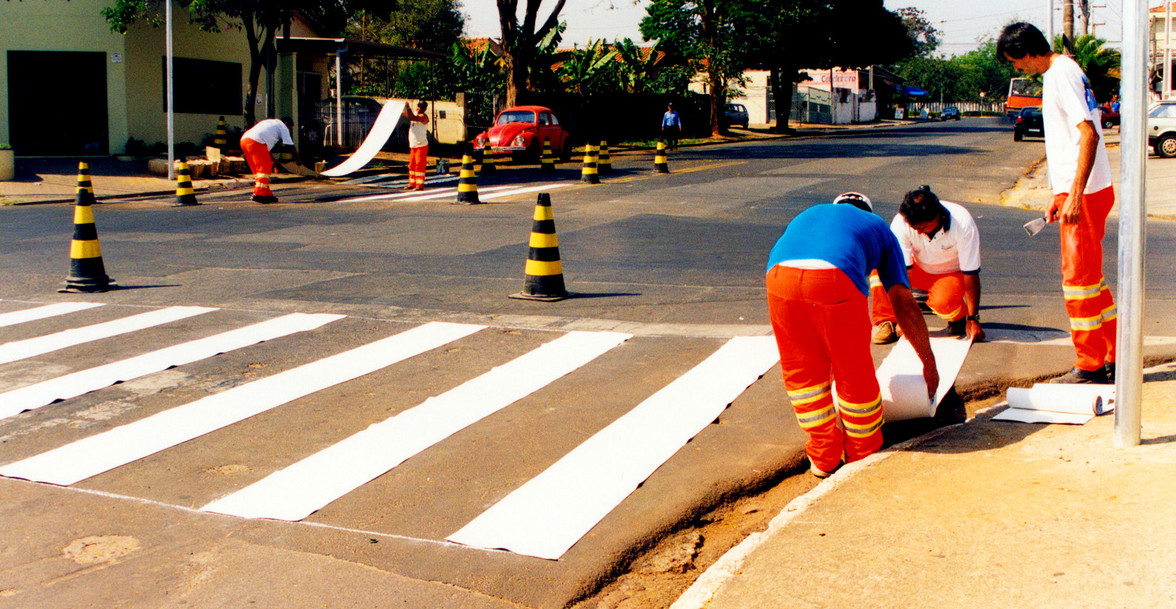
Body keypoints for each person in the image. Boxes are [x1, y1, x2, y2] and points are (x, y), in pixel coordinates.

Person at [766, 192, 939, 478]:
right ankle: (862, 454)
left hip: (779, 278)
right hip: (834, 278)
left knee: (802, 370)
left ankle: (823, 458)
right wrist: (928, 363)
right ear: (867, 210)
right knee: (852, 369)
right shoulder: (878, 227)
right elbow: (904, 305)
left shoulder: (810, 213)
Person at [998, 22, 1116, 384]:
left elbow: (1089, 134)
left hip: (1085, 192)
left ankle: (1090, 364)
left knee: (1078, 282)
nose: (1017, 70)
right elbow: (1069, 143)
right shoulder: (1060, 72)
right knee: (1092, 281)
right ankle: (1113, 353)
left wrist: (1075, 195)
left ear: (1029, 52)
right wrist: (1059, 193)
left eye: (1016, 62)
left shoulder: (1061, 74)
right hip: (1085, 188)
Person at [870, 186, 985, 344]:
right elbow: (903, 273)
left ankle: (958, 318)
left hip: (949, 274)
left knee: (944, 302)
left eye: (922, 227)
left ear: (937, 216)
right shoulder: (901, 222)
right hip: (916, 270)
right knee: (881, 265)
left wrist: (974, 319)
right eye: (914, 227)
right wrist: (905, 319)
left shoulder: (963, 223)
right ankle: (887, 321)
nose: (917, 232)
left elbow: (970, 274)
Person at [240, 117, 301, 204]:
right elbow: (290, 145)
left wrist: (272, 159)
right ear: (286, 123)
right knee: (265, 168)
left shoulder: (271, 123)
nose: (289, 130)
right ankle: (259, 193)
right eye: (290, 128)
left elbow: (265, 149)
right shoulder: (282, 126)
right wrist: (297, 160)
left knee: (259, 171)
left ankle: (266, 193)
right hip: (256, 141)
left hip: (245, 140)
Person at [403, 101, 430, 191]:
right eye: (418, 107)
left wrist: (408, 107)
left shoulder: (424, 117)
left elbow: (412, 118)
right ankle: (412, 183)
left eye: (420, 108)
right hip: (413, 145)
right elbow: (407, 115)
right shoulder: (414, 114)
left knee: (419, 164)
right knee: (412, 165)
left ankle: (419, 185)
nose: (418, 109)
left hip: (421, 145)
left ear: (424, 109)